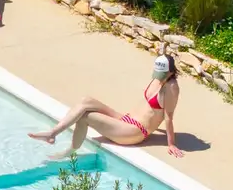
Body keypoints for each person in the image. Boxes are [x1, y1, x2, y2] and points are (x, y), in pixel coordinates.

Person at [29, 52, 185, 159]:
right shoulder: (159, 78)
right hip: (126, 120)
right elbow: (152, 111)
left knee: (85, 117)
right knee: (86, 100)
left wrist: (171, 144)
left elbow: (168, 117)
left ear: (171, 72)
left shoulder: (171, 88)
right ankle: (53, 133)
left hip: (135, 131)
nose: (158, 76)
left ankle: (70, 151)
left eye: (162, 73)